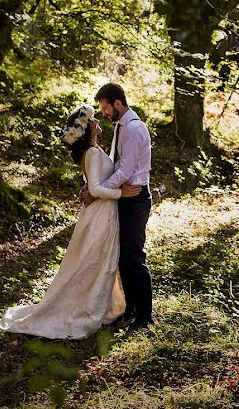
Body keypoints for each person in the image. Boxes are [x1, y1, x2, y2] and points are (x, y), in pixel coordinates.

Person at [0, 105, 142, 339]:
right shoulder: (93, 153)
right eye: (93, 120)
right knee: (95, 261)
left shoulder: (94, 150)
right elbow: (96, 188)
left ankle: (101, 304)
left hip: (102, 211)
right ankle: (83, 307)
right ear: (86, 129)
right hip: (100, 214)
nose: (98, 122)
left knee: (99, 260)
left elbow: (94, 184)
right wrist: (121, 194)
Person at [83, 83, 154, 331]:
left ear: (117, 104)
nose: (103, 113)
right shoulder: (122, 127)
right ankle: (131, 308)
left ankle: (145, 316)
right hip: (124, 197)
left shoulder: (133, 129)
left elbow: (125, 170)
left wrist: (99, 190)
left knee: (134, 256)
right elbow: (116, 164)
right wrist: (97, 186)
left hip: (135, 198)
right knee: (122, 255)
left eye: (105, 108)